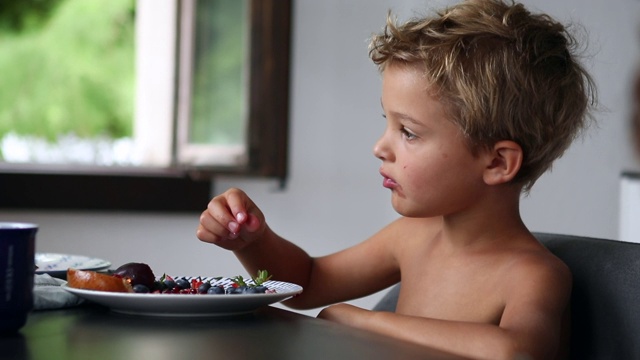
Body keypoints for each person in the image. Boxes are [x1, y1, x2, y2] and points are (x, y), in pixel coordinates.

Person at [197, 0, 596, 359]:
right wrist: (254, 241)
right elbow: (309, 282)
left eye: (408, 132)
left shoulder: (532, 274)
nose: (380, 147)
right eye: (386, 123)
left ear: (497, 163)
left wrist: (366, 321)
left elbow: (516, 352)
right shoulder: (413, 236)